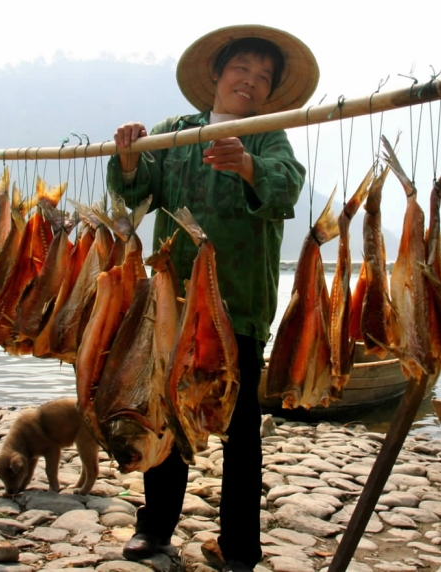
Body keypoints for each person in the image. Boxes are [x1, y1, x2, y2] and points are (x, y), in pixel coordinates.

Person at [106, 24, 319, 572]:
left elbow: (285, 187)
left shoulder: (270, 135)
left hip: (238, 311)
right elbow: (136, 191)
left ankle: (240, 549)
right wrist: (129, 156)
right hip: (171, 307)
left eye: (263, 78)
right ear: (218, 77)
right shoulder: (175, 132)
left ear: (270, 94)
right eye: (241, 70)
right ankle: (155, 531)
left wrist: (248, 165)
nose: (250, 82)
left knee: (241, 432)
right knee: (166, 418)